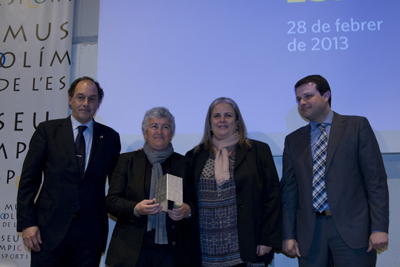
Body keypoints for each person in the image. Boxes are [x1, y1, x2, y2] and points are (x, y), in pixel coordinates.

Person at [280, 75, 389, 266]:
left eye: (308, 96)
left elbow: (375, 180)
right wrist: (288, 234)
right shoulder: (293, 140)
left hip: (353, 232)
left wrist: (379, 228)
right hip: (310, 235)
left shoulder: (357, 127)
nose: (302, 103)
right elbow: (289, 193)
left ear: (326, 95)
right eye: (298, 99)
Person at [16, 76, 121, 267]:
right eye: (80, 97)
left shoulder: (110, 138)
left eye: (92, 98)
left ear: (98, 103)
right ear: (70, 99)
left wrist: (137, 161)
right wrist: (27, 223)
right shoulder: (47, 131)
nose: (85, 103)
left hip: (90, 237)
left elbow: (117, 183)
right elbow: (28, 181)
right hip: (47, 233)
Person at [186, 97, 282, 267]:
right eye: (216, 116)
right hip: (206, 250)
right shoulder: (194, 156)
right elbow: (189, 200)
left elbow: (272, 198)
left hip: (246, 248)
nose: (222, 120)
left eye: (228, 115)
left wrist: (267, 239)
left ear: (237, 121)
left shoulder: (258, 151)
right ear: (209, 122)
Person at [105, 107, 198, 267]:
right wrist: (135, 208)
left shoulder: (184, 164)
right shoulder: (127, 161)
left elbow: (195, 202)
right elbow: (111, 201)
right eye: (154, 126)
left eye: (165, 127)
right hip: (132, 252)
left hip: (173, 253)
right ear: (145, 132)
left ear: (172, 133)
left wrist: (188, 210)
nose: (159, 131)